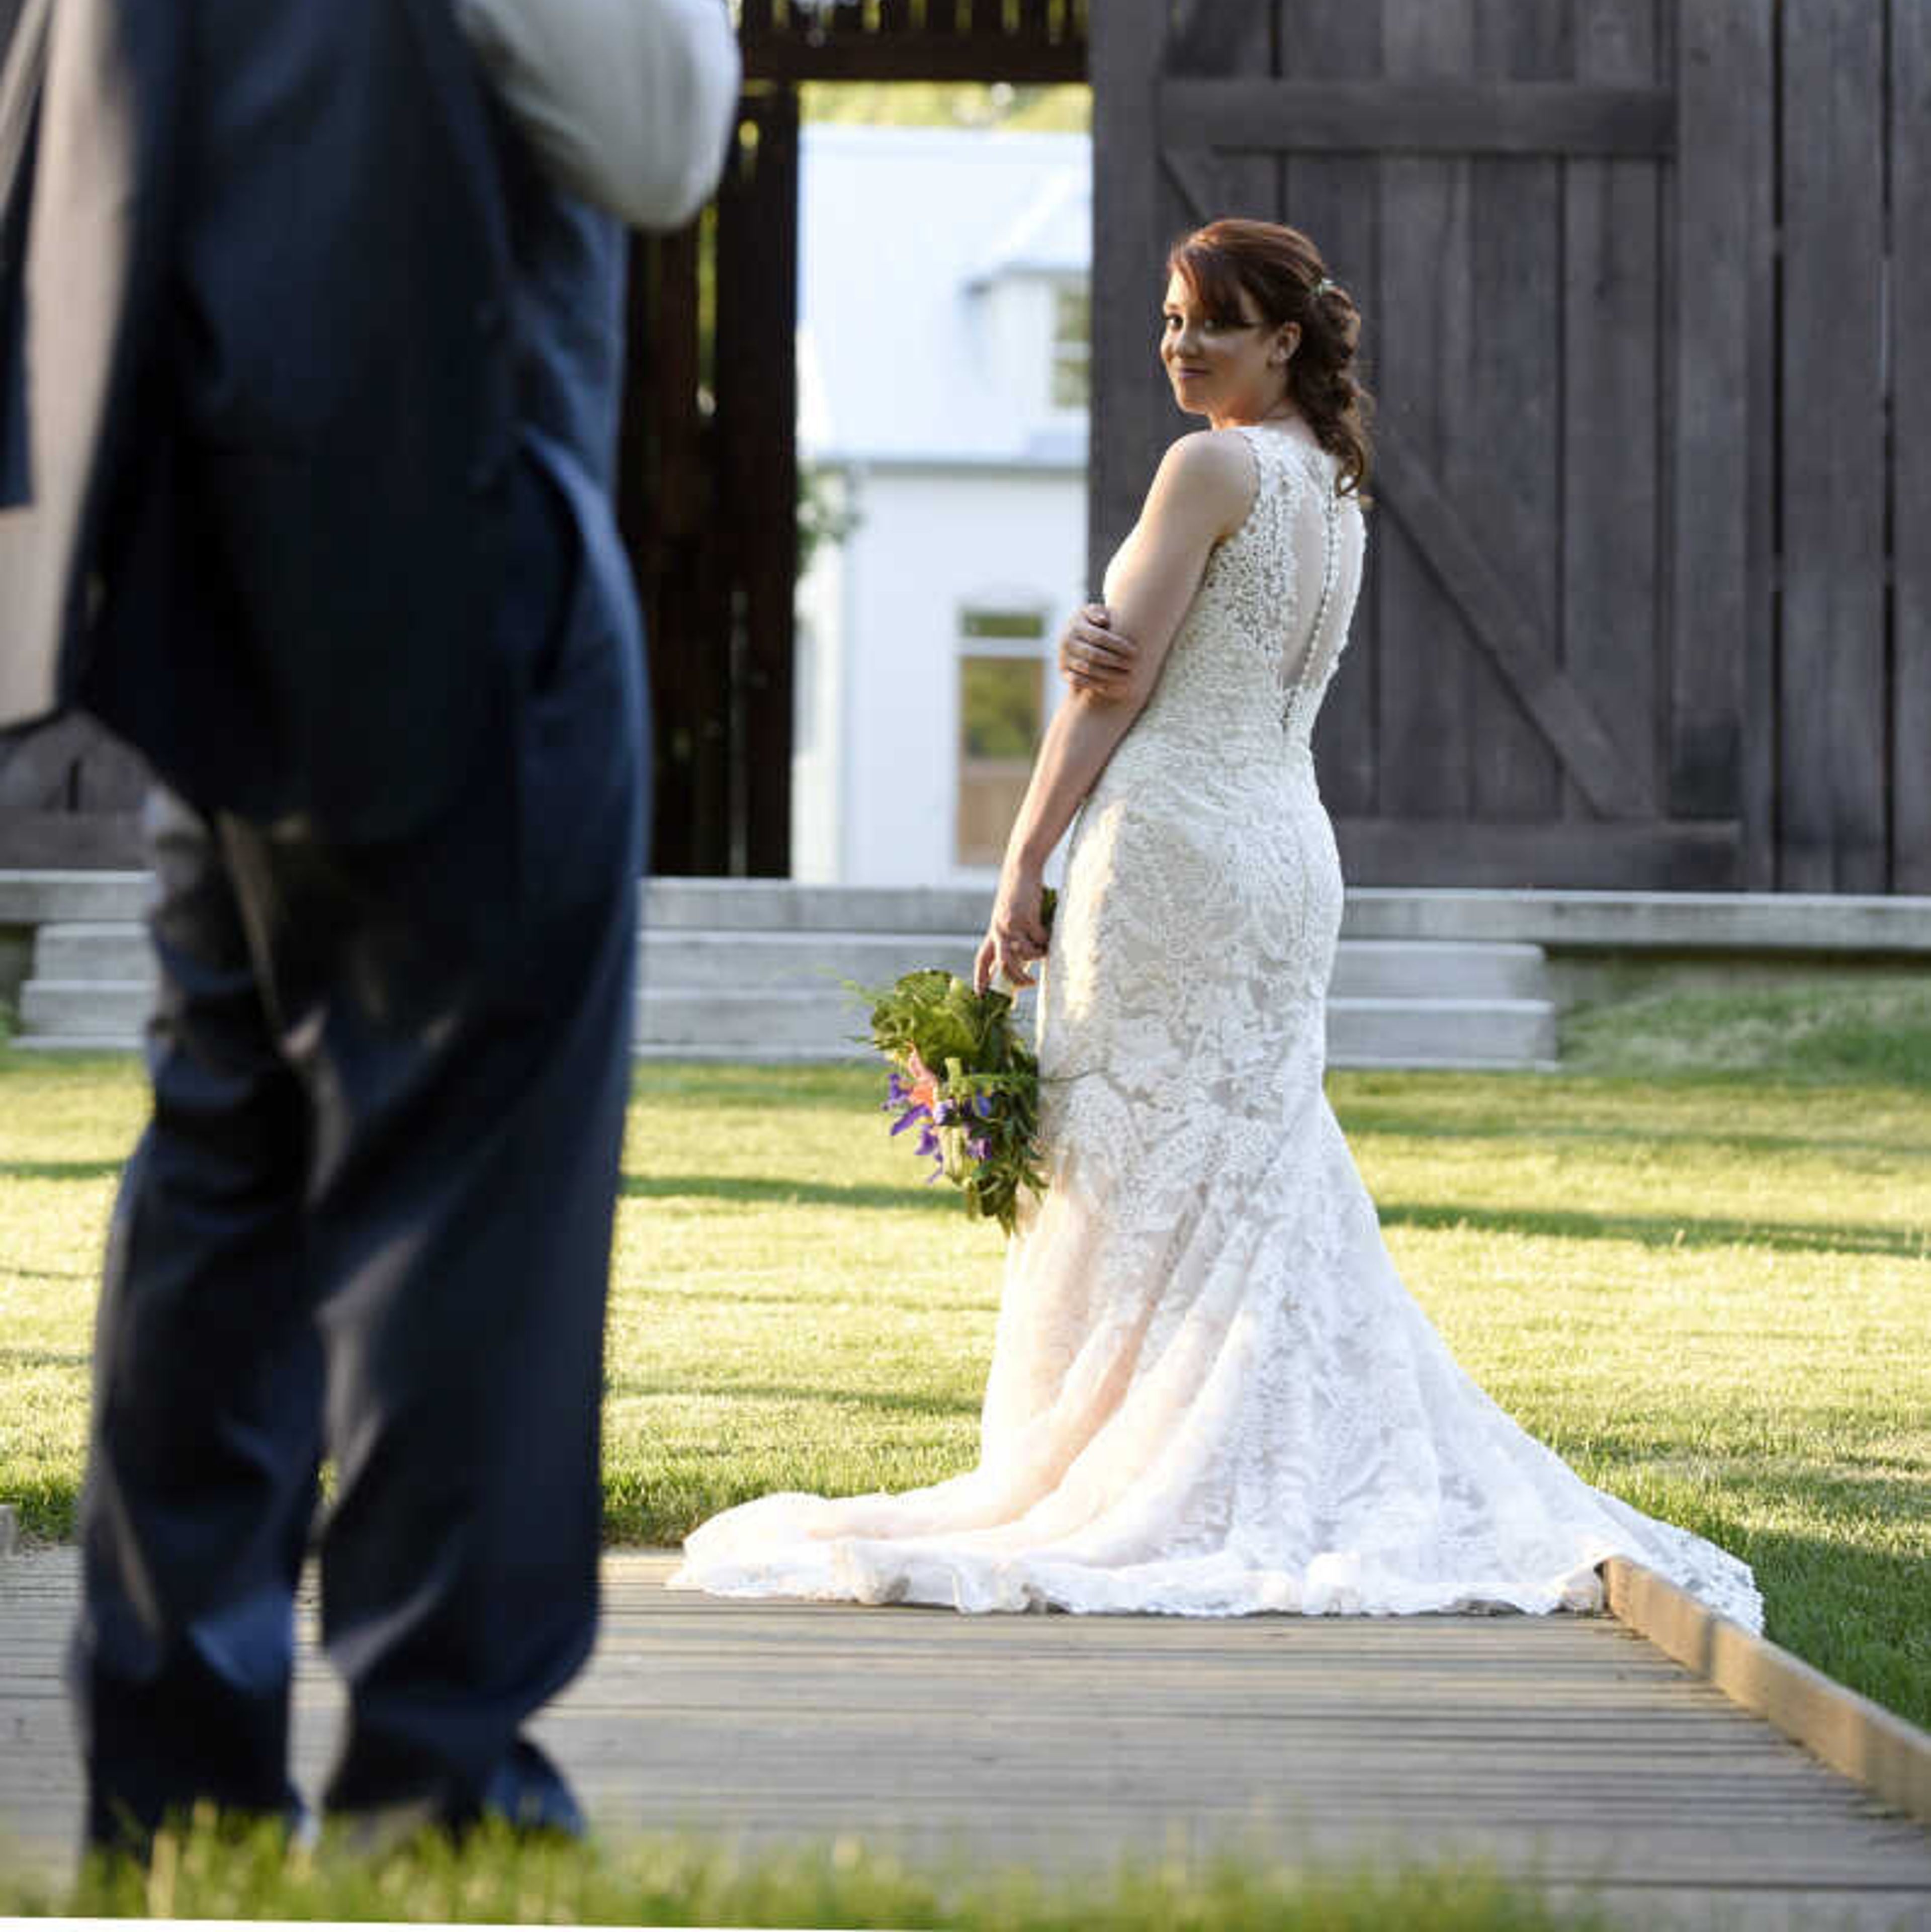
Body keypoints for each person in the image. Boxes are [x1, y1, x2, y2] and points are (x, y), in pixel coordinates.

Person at [0, 0, 739, 1852]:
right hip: (468, 588)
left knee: (218, 1190)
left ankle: (176, 1796)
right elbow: (657, 133)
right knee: (473, 1222)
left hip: (209, 637)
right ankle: (433, 1799)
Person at [675, 219, 1761, 1628]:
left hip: (1177, 846)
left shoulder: (1209, 468)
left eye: (1208, 322)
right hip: (1289, 851)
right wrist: (1094, 632)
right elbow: (1170, 651)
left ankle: (1125, 1466)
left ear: (1286, 341)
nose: (1177, 345)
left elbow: (1115, 687)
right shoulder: (1338, 492)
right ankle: (1265, 1450)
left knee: (1128, 1161)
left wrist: (1019, 862)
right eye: (1169, 318)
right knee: (1250, 1160)